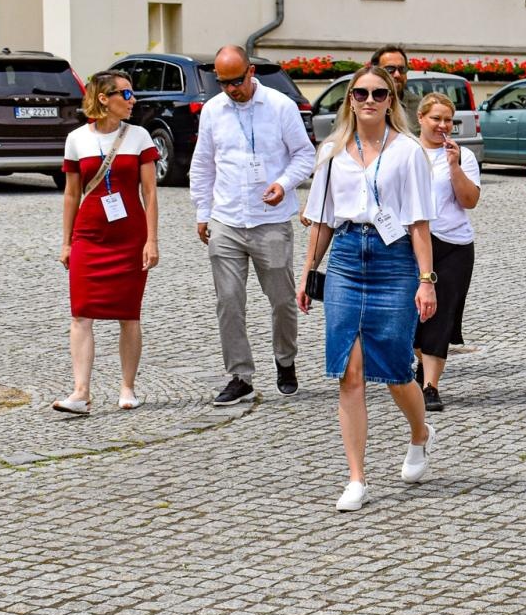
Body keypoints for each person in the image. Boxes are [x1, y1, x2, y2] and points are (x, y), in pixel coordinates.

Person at [298, 66, 438, 512]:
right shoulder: (332, 151)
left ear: (391, 100)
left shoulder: (409, 151)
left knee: (397, 366)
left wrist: (426, 279)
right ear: (350, 99)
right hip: (345, 256)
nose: (369, 100)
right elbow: (321, 218)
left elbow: (418, 222)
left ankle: (420, 432)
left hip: (393, 259)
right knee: (349, 370)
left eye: (379, 93)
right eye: (360, 93)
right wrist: (307, 271)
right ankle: (356, 477)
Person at [190, 44, 316, 406]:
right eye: (223, 82)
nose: (231, 89)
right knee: (228, 300)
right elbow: (203, 165)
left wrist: (284, 183)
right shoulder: (213, 111)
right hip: (227, 219)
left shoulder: (280, 106)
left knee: (281, 301)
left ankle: (285, 359)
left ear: (250, 73)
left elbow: (304, 154)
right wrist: (203, 212)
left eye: (236, 81)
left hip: (271, 221)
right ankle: (240, 375)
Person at [55, 70, 160, 414]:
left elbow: (149, 193)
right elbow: (71, 194)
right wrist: (67, 242)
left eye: (132, 95)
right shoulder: (76, 139)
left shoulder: (140, 137)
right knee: (81, 314)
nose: (133, 101)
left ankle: (127, 388)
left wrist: (152, 240)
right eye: (126, 95)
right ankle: (80, 392)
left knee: (129, 315)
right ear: (104, 98)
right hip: (89, 236)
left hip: (130, 238)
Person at [414, 92, 481, 413]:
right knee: (412, 316)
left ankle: (430, 386)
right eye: (436, 118)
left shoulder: (462, 155)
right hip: (410, 244)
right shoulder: (405, 151)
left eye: (448, 120)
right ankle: (417, 361)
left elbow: (469, 201)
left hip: (454, 245)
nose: (443, 125)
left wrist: (453, 165)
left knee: (440, 316)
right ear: (421, 119)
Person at [369, 44, 415, 122]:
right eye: (389, 69)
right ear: (375, 72)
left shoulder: (419, 107)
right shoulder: (363, 105)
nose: (397, 74)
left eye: (402, 69)